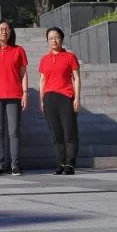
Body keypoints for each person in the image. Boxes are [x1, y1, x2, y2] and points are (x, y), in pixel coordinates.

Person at [0, 18, 29, 176]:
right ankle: (0, 165)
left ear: (11, 32)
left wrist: (25, 93)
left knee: (14, 131)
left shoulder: (19, 50)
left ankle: (15, 164)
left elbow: (23, 74)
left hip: (14, 95)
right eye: (1, 29)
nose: (4, 31)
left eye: (7, 28)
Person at [39, 27, 81, 175]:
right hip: (50, 98)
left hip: (66, 96)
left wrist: (77, 97)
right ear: (47, 41)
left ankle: (70, 164)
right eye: (51, 38)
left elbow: (76, 77)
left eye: (56, 37)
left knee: (69, 132)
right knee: (56, 134)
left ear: (61, 39)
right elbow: (42, 80)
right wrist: (42, 99)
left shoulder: (70, 57)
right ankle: (61, 163)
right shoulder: (44, 59)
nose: (54, 40)